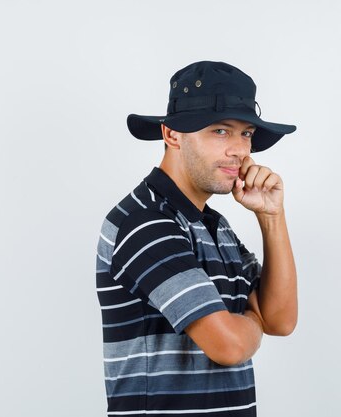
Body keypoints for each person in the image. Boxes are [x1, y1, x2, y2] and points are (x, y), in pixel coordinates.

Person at [96, 61, 298, 417]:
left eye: (246, 133)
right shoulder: (146, 223)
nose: (239, 150)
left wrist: (271, 216)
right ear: (172, 135)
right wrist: (253, 321)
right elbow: (230, 346)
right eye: (221, 131)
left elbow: (280, 320)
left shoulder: (214, 227)